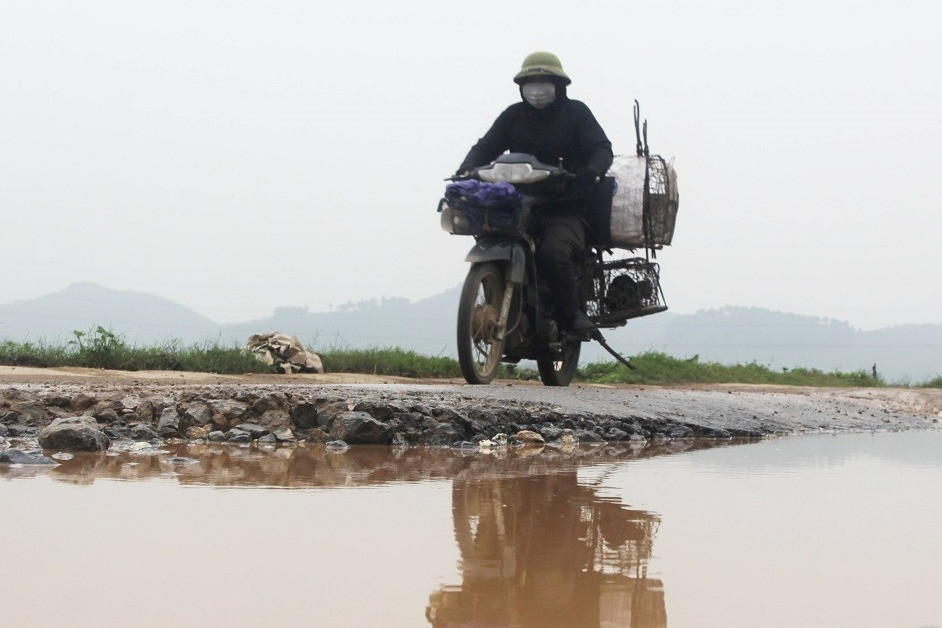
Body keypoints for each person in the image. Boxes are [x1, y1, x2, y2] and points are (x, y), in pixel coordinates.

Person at [457, 51, 613, 333]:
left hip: (564, 208)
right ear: (521, 87)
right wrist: (468, 167)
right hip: (517, 206)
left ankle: (570, 317)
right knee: (490, 233)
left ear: (559, 84)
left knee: (553, 254)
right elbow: (485, 146)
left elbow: (601, 148)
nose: (537, 87)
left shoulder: (577, 113)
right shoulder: (513, 116)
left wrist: (593, 170)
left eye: (544, 80)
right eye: (531, 81)